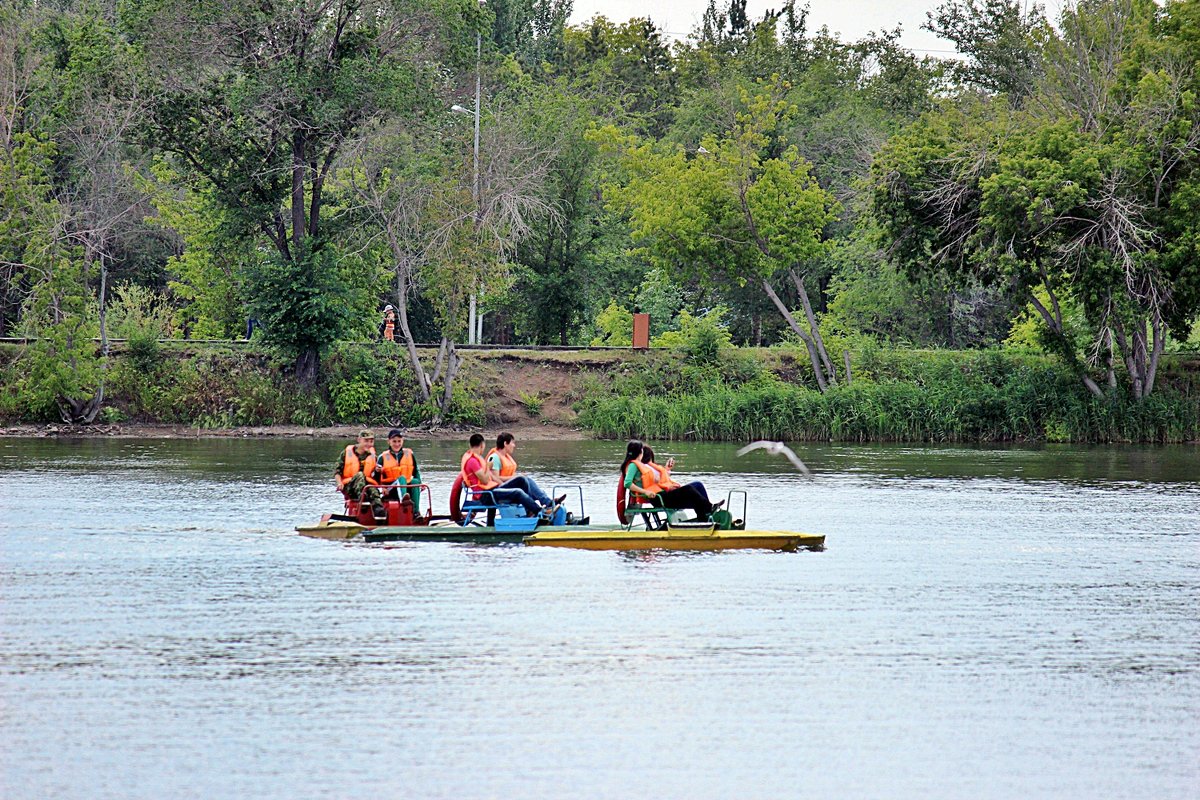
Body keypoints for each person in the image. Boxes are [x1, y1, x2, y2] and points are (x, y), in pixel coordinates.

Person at [621, 439, 720, 520]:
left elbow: (657, 480)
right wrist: (645, 492)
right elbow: (627, 483)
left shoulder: (642, 466)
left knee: (697, 485)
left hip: (661, 494)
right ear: (640, 452)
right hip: (657, 498)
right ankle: (708, 509)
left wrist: (667, 469)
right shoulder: (633, 465)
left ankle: (705, 516)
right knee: (689, 489)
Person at [460, 433, 551, 518]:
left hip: (492, 490)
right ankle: (538, 511)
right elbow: (484, 480)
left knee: (522, 480)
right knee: (518, 492)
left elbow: (488, 478)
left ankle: (531, 510)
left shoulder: (476, 459)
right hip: (486, 495)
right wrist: (488, 468)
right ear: (482, 445)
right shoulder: (473, 461)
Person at [486, 432, 565, 510]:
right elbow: (494, 478)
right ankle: (542, 506)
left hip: (507, 486)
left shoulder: (506, 457)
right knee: (524, 479)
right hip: (499, 489)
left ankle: (547, 504)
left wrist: (516, 477)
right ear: (505, 443)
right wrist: (515, 477)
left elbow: (509, 475)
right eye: (512, 443)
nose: (514, 446)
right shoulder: (495, 457)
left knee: (537, 490)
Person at [335, 429, 384, 519]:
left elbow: (375, 478)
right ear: (359, 440)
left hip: (367, 487)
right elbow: (337, 471)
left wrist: (377, 472)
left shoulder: (374, 456)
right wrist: (339, 483)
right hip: (350, 487)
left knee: (372, 488)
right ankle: (363, 499)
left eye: (371, 441)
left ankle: (379, 510)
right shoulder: (346, 453)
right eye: (366, 441)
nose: (369, 444)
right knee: (360, 475)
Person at [372, 428, 422, 507]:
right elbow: (377, 477)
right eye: (394, 441)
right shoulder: (383, 457)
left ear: (402, 441)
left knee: (415, 482)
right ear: (389, 442)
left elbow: (415, 471)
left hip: (406, 486)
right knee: (401, 478)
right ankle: (403, 500)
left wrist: (420, 484)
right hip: (391, 488)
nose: (397, 444)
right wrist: (383, 487)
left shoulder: (409, 454)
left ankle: (416, 512)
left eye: (399, 441)